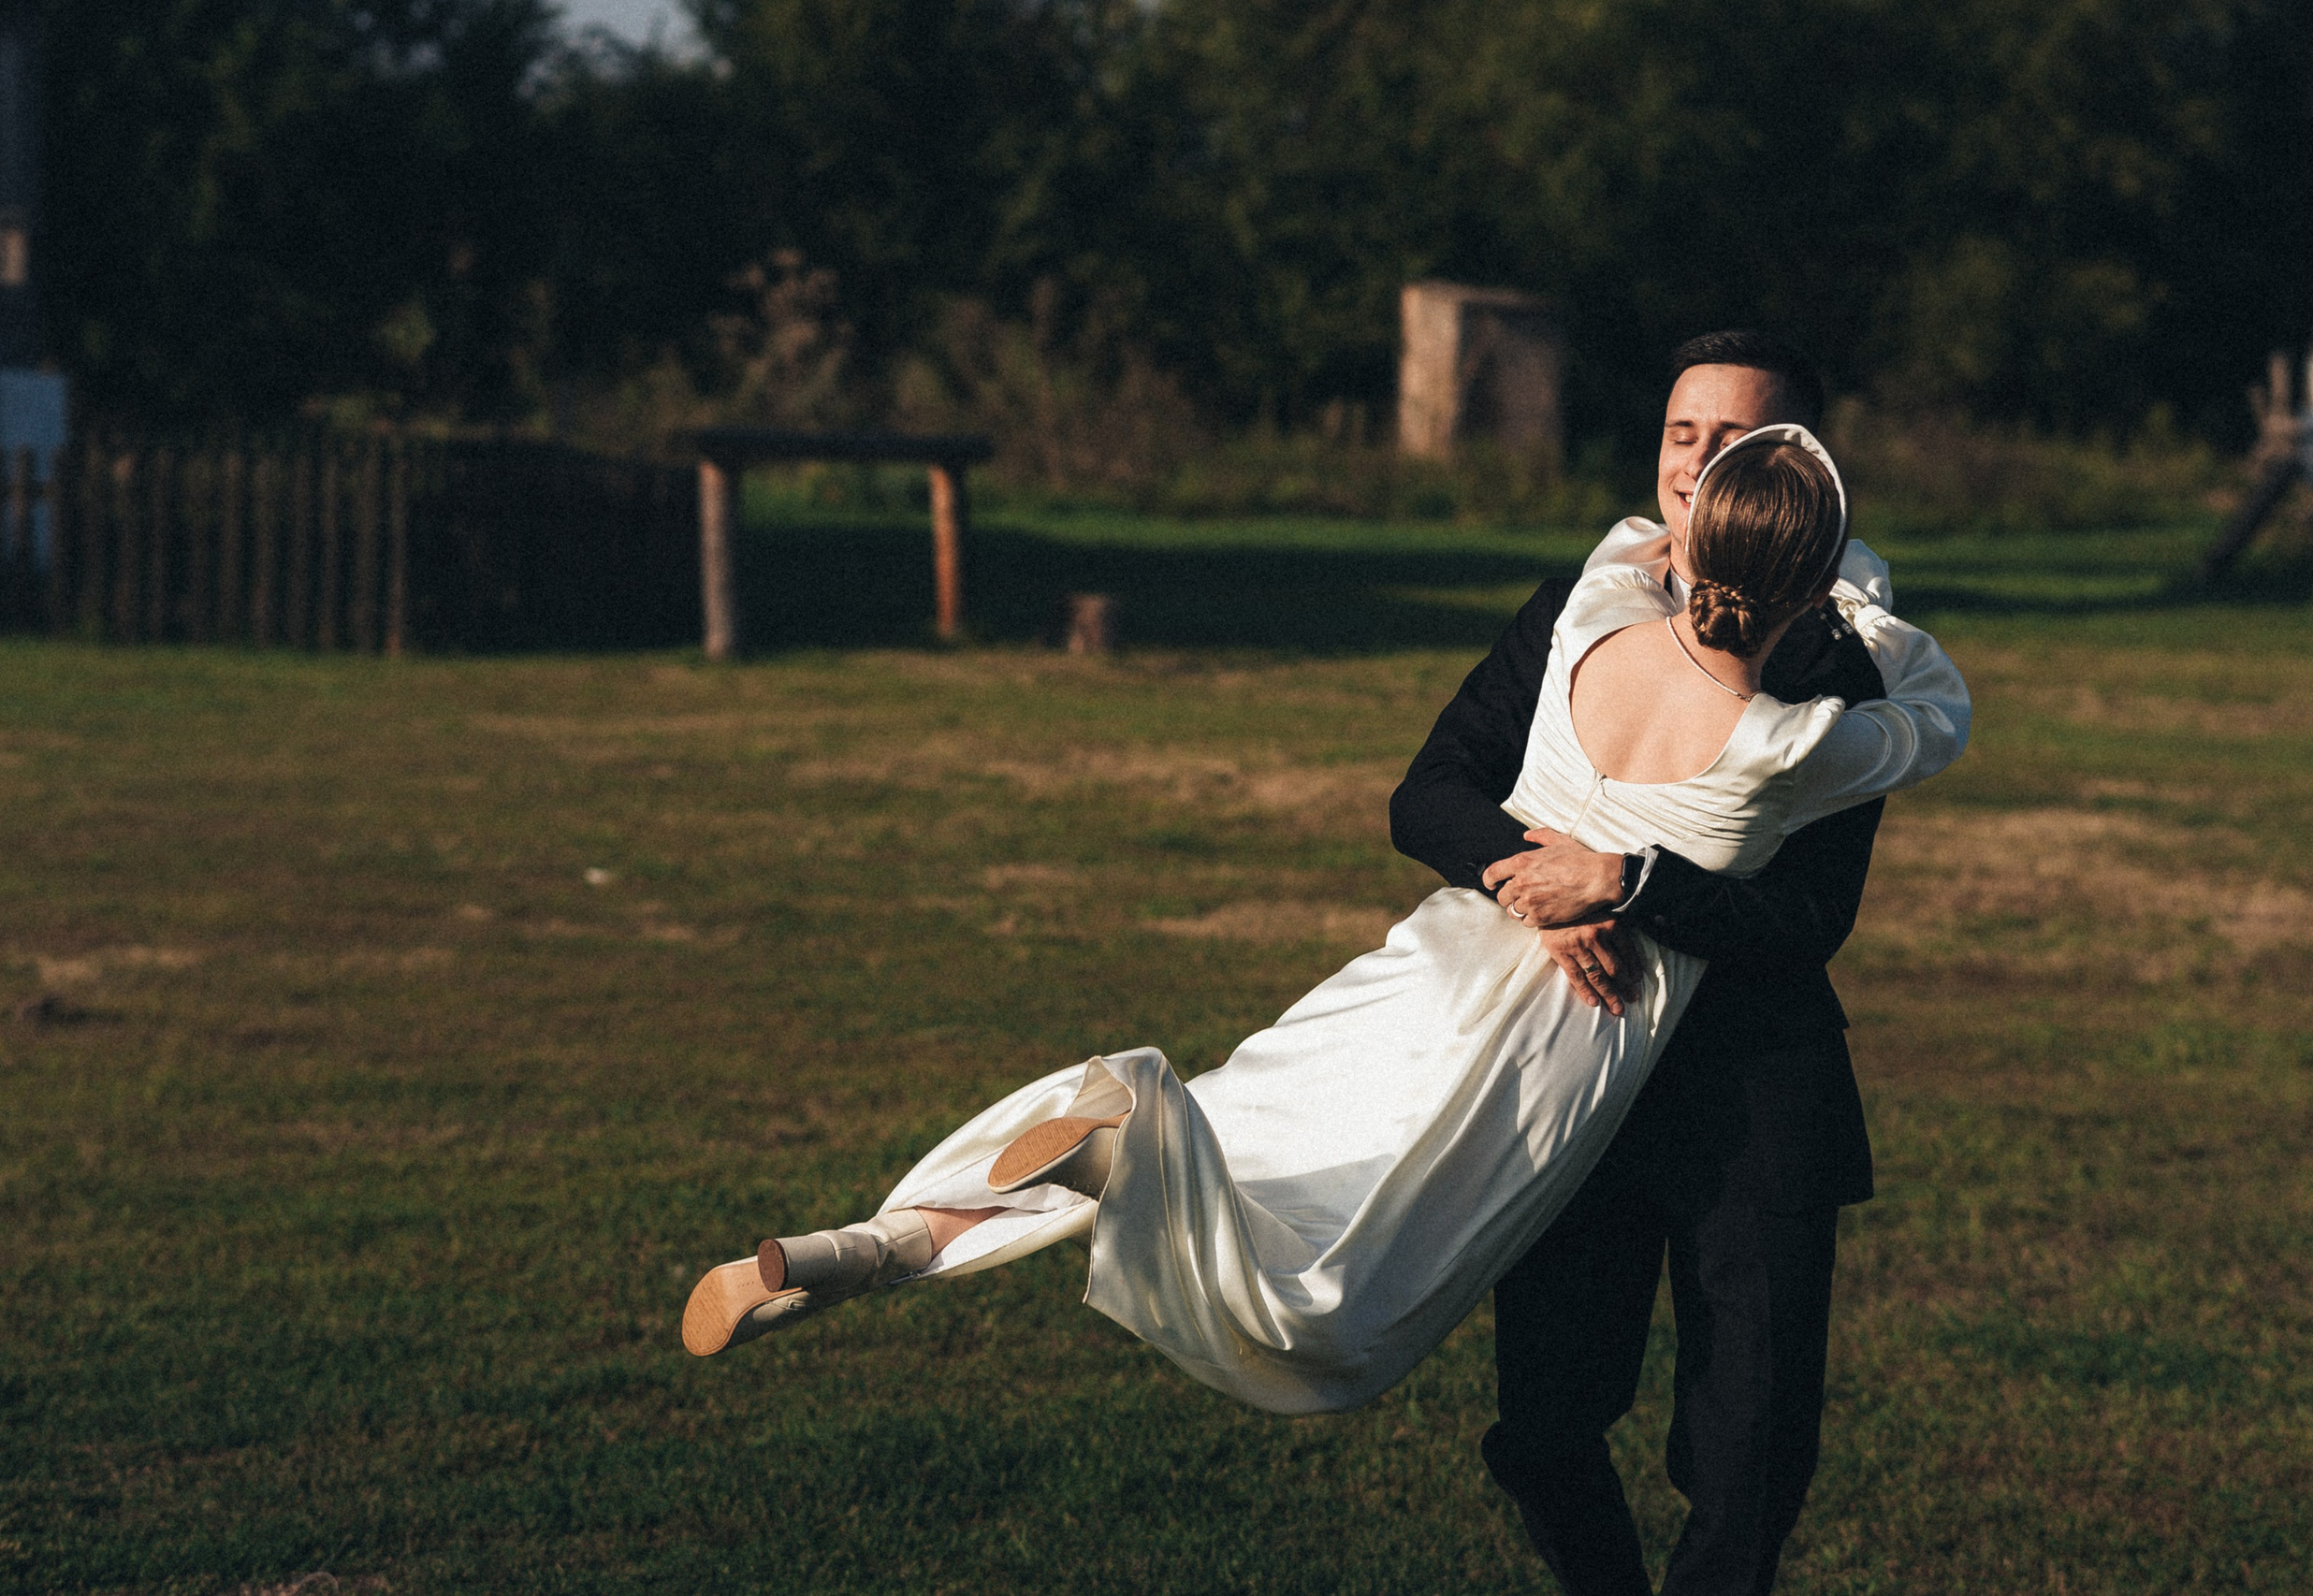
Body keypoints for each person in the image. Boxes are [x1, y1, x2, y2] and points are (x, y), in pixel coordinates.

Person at [679, 395, 1965, 1462]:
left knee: (1246, 1133)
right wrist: (1843, 594)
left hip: (1436, 963)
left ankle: (877, 1243)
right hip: (1558, 1042)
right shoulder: (1789, 745)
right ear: (1806, 584)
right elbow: (1935, 704)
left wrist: (1684, 568)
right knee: (1341, 1300)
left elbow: (1628, 547)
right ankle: (1121, 1147)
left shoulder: (1591, 626)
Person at [1390, 330, 1915, 1595]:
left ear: (1805, 472)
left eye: (1740, 440)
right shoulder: (1580, 612)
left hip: (1753, 1104)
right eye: (1685, 434)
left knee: (1750, 1466)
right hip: (1571, 1077)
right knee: (1545, 1427)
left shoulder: (1844, 665)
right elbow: (1431, 793)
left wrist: (1625, 882)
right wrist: (1540, 885)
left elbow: (1807, 916)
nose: (1702, 461)